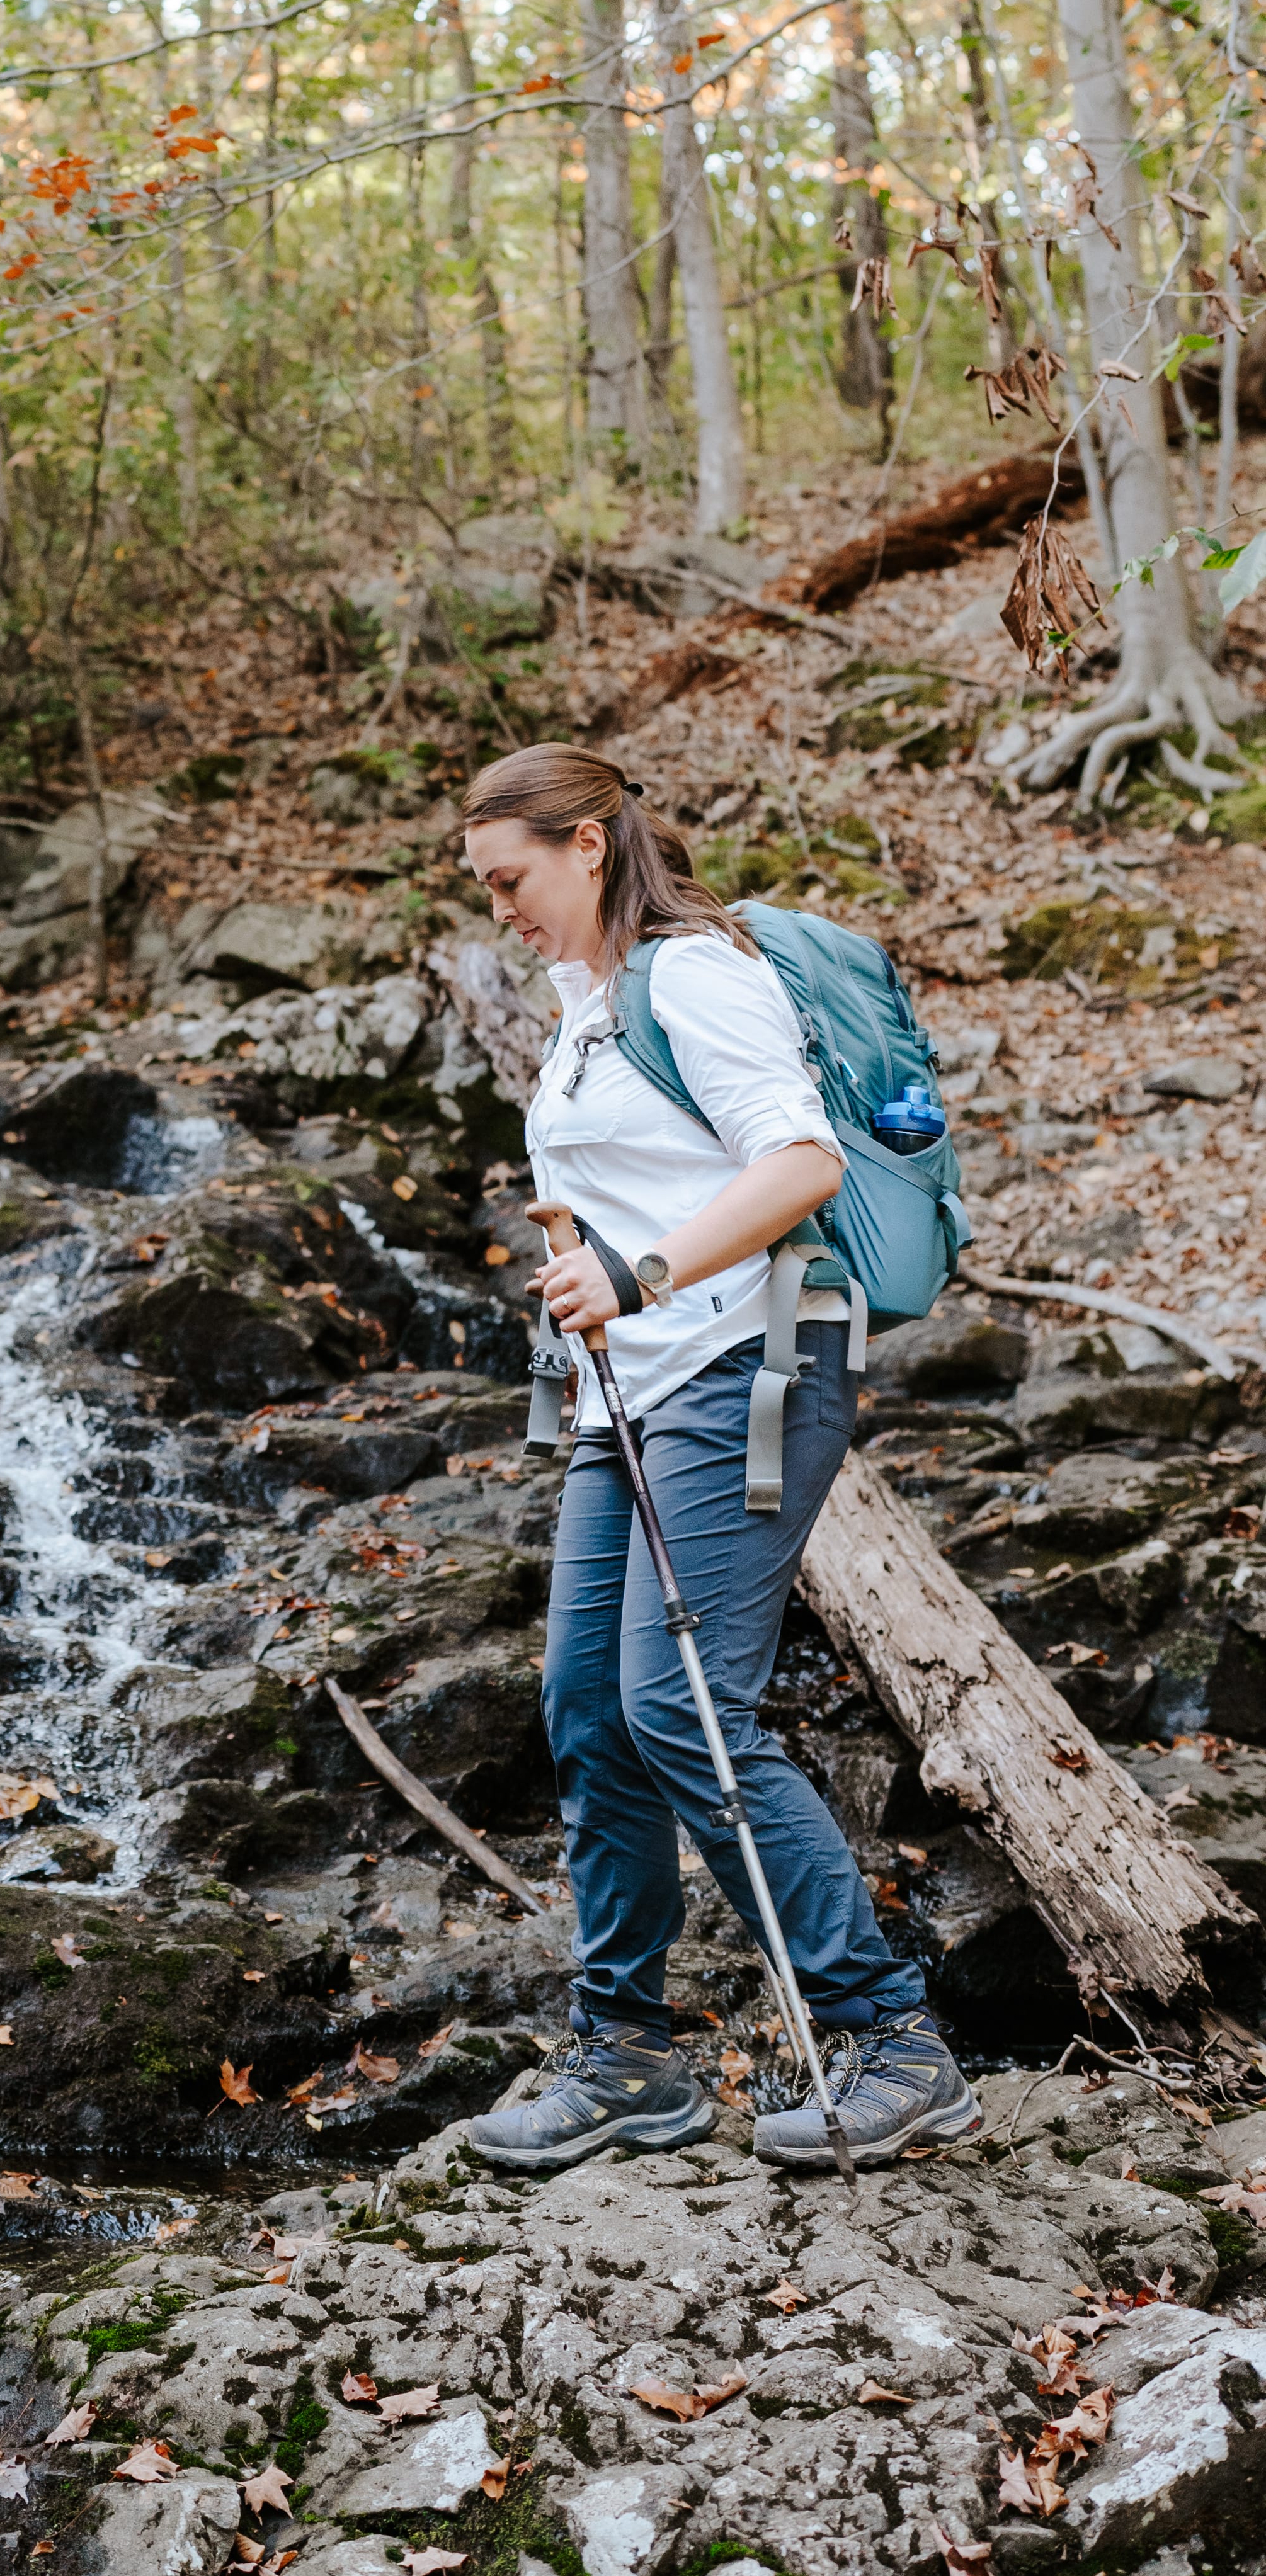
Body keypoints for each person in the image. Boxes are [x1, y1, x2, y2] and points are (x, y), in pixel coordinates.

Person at [455, 746, 978, 2175]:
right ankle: (626, 2057)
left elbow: (798, 1161)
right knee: (585, 1707)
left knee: (682, 1708)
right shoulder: (583, 1007)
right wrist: (593, 1279)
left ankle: (893, 2044)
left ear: (583, 843)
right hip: (625, 1392)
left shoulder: (693, 974)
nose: (497, 906)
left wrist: (639, 1267)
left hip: (749, 1372)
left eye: (509, 878)